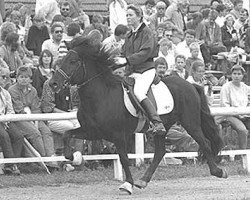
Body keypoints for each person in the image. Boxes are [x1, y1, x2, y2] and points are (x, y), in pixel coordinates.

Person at [114, 4, 166, 136]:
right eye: (127, 15)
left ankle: (156, 122)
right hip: (132, 71)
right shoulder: (130, 34)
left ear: (139, 16)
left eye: (130, 15)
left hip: (145, 70)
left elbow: (146, 52)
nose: (128, 17)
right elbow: (123, 52)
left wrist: (127, 60)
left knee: (139, 92)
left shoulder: (147, 32)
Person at [8, 66, 56, 160]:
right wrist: (32, 122)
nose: (24, 79)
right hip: (19, 119)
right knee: (35, 133)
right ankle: (44, 158)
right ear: (17, 78)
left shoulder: (33, 90)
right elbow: (19, 109)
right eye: (21, 77)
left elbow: (36, 108)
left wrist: (36, 121)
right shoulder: (12, 90)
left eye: (26, 77)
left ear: (30, 79)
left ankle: (52, 158)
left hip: (34, 117)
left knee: (46, 131)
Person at [218, 65, 250, 150]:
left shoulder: (245, 87)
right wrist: (238, 115)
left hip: (245, 115)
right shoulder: (226, 87)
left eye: (239, 74)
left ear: (242, 76)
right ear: (231, 75)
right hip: (230, 115)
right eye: (234, 73)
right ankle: (242, 153)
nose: (236, 76)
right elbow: (225, 105)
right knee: (242, 130)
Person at [0, 67, 23, 175]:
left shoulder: (5, 93)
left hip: (6, 120)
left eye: (6, 77)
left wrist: (6, 120)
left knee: (18, 136)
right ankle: (11, 165)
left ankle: (13, 164)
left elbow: (10, 110)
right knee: (4, 136)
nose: (5, 80)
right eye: (3, 77)